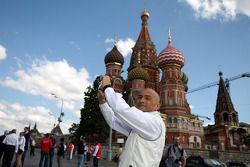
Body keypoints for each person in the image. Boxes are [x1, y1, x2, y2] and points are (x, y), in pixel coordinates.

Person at [98, 76, 166, 167]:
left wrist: (107, 87)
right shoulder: (139, 126)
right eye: (139, 97)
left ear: (157, 106)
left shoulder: (154, 122)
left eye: (147, 98)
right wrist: (103, 102)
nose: (141, 100)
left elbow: (121, 109)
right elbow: (113, 121)